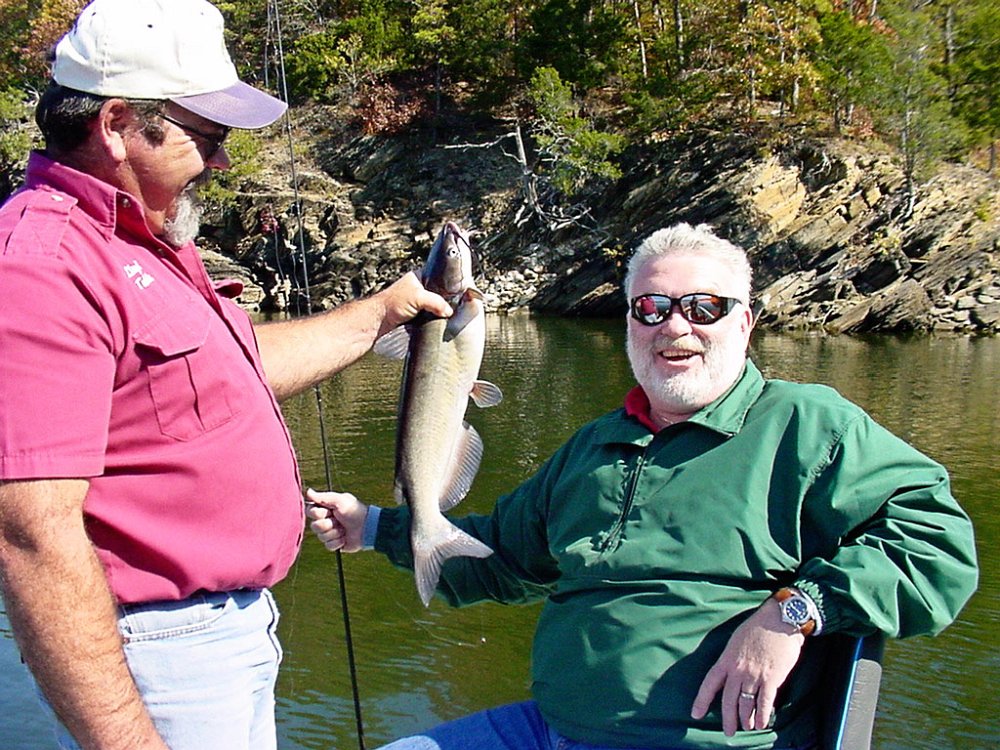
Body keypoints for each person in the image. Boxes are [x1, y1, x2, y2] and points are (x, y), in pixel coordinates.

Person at [308, 222, 979, 750]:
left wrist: (795, 610)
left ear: (745, 322)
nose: (675, 326)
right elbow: (505, 559)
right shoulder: (594, 446)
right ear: (630, 323)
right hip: (547, 729)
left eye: (705, 307)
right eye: (652, 307)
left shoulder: (807, 426)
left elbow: (937, 547)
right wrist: (374, 527)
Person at [0, 1, 452, 749]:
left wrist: (382, 313)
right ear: (116, 124)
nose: (221, 163)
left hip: (224, 638)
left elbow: (231, 374)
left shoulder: (147, 241)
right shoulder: (42, 267)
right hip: (152, 655)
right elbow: (32, 537)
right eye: (207, 137)